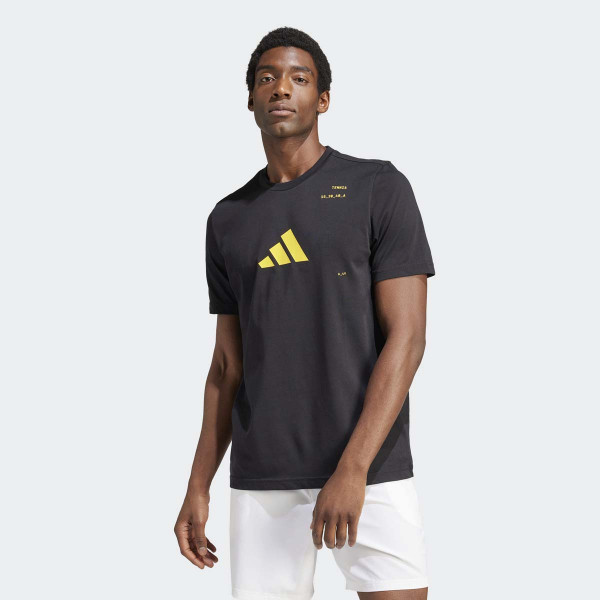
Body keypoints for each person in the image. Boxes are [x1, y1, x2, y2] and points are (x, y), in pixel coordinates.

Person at [174, 26, 435, 600]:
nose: (281, 88)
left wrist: (353, 468)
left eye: (299, 77)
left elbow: (408, 339)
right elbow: (226, 366)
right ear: (250, 100)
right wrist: (198, 485)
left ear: (323, 99)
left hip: (370, 465)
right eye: (266, 78)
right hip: (264, 473)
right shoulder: (229, 218)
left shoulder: (378, 187)